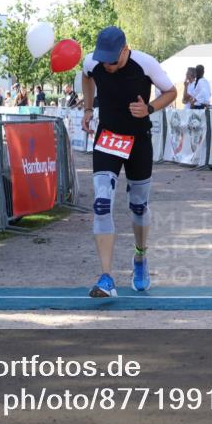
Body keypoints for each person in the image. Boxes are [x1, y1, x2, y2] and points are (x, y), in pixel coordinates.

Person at [81, 26, 177, 298]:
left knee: (138, 206)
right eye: (105, 61)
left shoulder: (146, 63)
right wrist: (89, 109)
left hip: (138, 140)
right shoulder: (93, 62)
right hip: (108, 138)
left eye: (113, 61)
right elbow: (86, 77)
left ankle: (140, 257)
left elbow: (171, 92)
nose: (108, 67)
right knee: (101, 202)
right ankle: (106, 278)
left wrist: (149, 108)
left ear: (125, 50)